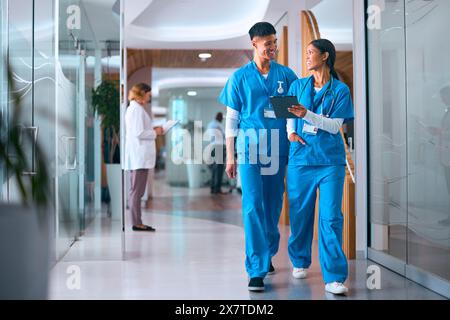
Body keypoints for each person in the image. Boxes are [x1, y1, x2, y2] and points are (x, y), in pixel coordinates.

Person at [219, 22, 298, 291]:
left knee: (274, 203)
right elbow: (232, 119)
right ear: (254, 44)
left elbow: (289, 116)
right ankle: (256, 268)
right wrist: (230, 156)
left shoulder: (285, 76)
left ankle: (267, 251)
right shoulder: (240, 78)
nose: (273, 47)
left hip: (277, 148)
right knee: (252, 204)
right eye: (268, 43)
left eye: (275, 42)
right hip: (249, 148)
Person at [286, 39, 354, 295]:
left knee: (330, 217)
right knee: (300, 215)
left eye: (311, 53)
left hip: (329, 163)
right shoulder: (297, 85)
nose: (307, 57)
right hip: (301, 159)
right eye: (305, 53)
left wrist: (307, 116)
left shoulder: (340, 91)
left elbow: (335, 126)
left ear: (325, 56)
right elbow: (288, 116)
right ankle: (300, 260)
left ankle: (335, 276)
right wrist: (291, 132)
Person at [124, 83, 163, 232]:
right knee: (136, 191)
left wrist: (153, 130)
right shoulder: (135, 110)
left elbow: (139, 131)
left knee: (137, 191)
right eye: (148, 94)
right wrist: (156, 132)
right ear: (141, 93)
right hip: (139, 157)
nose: (149, 96)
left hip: (139, 157)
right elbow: (139, 133)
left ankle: (137, 221)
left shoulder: (136, 109)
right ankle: (137, 223)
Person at [427, 86, 450, 226]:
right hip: (446, 157)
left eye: (443, 96)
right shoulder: (447, 112)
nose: (442, 99)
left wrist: (440, 132)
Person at [207, 112, 226, 194]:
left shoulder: (212, 124)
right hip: (218, 147)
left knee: (215, 169)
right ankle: (217, 189)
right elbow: (220, 135)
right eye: (222, 117)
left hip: (214, 147)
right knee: (219, 169)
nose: (222, 119)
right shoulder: (215, 125)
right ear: (219, 117)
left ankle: (214, 188)